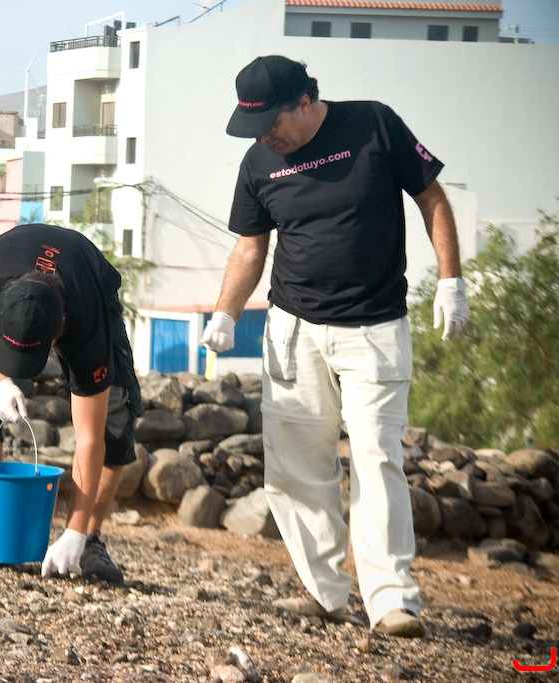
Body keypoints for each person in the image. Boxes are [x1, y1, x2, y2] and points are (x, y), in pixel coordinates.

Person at [201, 56, 470, 638]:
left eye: (271, 122)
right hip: (293, 329)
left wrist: (451, 281)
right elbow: (250, 247)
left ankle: (391, 602)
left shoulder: (374, 124)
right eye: (253, 127)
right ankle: (325, 593)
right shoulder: (259, 161)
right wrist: (225, 312)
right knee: (294, 468)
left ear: (304, 101)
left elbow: (432, 199)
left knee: (376, 457)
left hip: (374, 328)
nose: (264, 137)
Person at [0, 222, 141, 583]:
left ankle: (87, 540)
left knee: (116, 416)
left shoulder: (85, 324)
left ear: (60, 330)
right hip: (8, 275)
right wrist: (0, 383)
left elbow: (89, 437)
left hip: (88, 278)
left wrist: (75, 531)